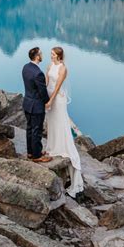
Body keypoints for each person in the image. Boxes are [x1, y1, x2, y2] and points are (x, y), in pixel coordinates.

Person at [45, 46, 84, 198]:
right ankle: (52, 145)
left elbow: (57, 86)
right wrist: (43, 97)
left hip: (57, 99)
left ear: (59, 56)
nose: (51, 56)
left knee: (60, 122)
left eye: (53, 54)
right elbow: (46, 82)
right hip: (48, 97)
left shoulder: (63, 68)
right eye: (51, 54)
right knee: (51, 123)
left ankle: (62, 146)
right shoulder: (49, 66)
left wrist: (50, 100)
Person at [22, 47, 52, 163]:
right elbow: (42, 92)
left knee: (29, 128)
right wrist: (47, 102)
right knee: (37, 131)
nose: (42, 55)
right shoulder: (38, 73)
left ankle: (30, 152)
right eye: (41, 53)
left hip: (27, 103)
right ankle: (37, 155)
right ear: (37, 56)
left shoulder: (26, 67)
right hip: (36, 106)